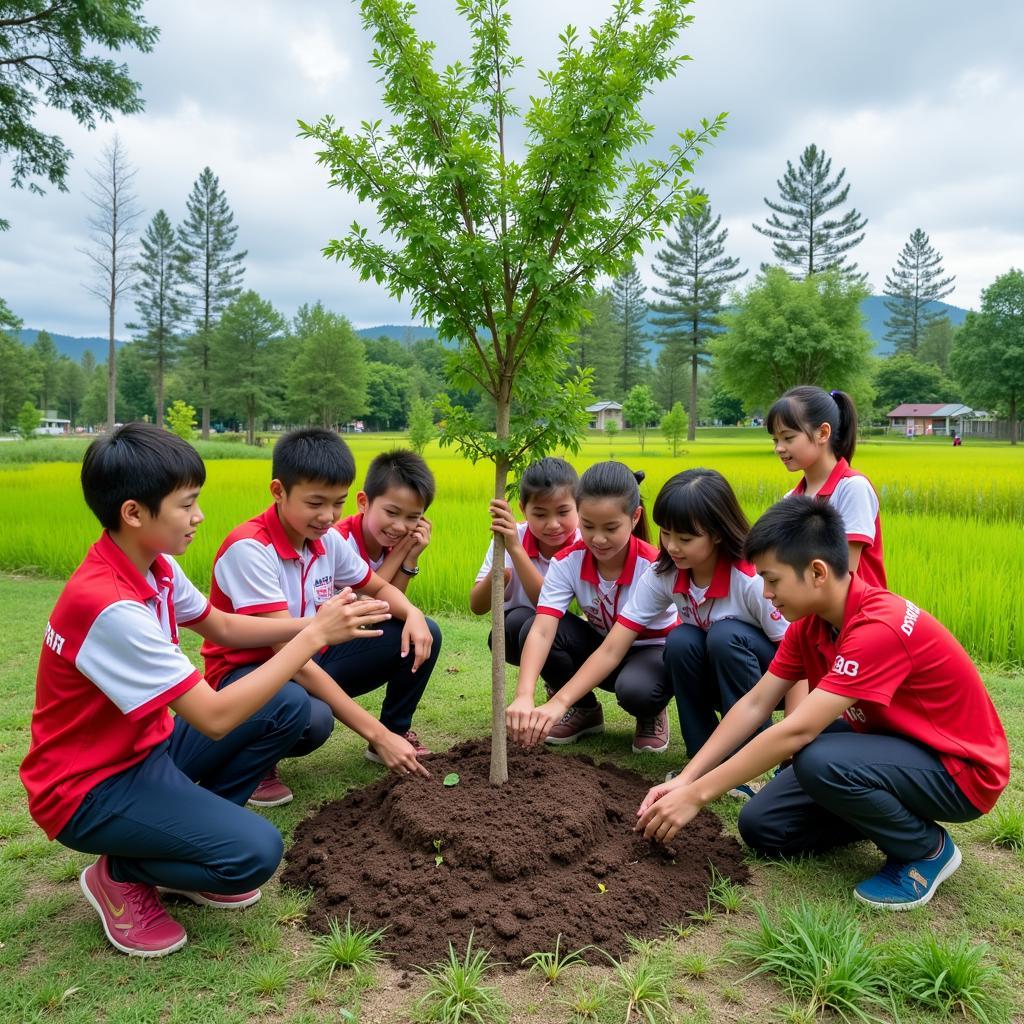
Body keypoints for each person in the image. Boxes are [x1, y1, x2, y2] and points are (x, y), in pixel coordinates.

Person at [19, 423, 399, 958]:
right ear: (134, 513)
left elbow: (221, 626)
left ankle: (191, 844)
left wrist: (316, 621)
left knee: (285, 706)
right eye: (187, 504)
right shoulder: (110, 607)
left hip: (142, 750)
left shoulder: (154, 567)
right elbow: (215, 717)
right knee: (256, 853)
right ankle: (120, 874)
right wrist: (314, 633)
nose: (199, 516)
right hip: (87, 786)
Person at [636, 497, 1009, 910]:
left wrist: (697, 797)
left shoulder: (877, 627)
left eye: (772, 580)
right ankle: (880, 814)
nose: (766, 593)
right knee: (764, 827)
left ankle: (926, 849)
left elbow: (798, 729)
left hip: (959, 771)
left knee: (816, 756)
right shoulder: (810, 625)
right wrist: (686, 780)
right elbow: (756, 703)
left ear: (816, 572)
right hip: (890, 743)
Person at [202, 428, 442, 808]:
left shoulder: (326, 541)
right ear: (279, 491)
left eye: (338, 503)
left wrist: (412, 612)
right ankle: (251, 761)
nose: (328, 516)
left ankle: (394, 737)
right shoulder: (250, 549)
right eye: (316, 503)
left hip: (306, 658)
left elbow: (379, 588)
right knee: (312, 717)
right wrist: (375, 732)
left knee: (423, 631)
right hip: (244, 676)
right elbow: (289, 654)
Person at [506, 462, 678, 753]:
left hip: (650, 655)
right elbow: (543, 631)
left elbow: (617, 648)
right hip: (604, 648)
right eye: (587, 526)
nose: (598, 539)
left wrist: (557, 702)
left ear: (635, 517)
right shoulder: (568, 561)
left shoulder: (654, 568)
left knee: (637, 691)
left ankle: (651, 713)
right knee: (529, 627)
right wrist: (524, 695)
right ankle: (584, 711)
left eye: (611, 528)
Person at [635, 470, 787, 792]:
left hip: (773, 683)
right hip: (722, 674)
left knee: (726, 634)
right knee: (680, 640)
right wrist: (561, 702)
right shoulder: (665, 572)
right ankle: (701, 760)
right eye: (665, 533)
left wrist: (794, 742)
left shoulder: (751, 579)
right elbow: (617, 640)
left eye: (686, 539)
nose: (672, 546)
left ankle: (752, 763)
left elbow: (797, 653)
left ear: (717, 534)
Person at [767, 385, 886, 588]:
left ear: (823, 433)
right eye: (775, 440)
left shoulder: (852, 488)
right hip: (814, 610)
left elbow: (844, 574)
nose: (779, 448)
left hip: (859, 614)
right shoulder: (791, 499)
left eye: (788, 438)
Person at [469, 456, 580, 666]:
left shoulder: (584, 544)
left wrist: (516, 549)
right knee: (515, 621)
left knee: (536, 623)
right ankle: (555, 683)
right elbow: (477, 606)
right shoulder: (509, 537)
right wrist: (499, 576)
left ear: (579, 506)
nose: (553, 524)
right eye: (540, 514)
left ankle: (578, 698)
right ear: (523, 509)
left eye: (563, 512)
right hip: (518, 632)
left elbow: (547, 602)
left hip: (567, 632)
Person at [334, 448, 435, 592]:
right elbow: (367, 600)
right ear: (363, 503)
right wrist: (402, 550)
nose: (400, 527)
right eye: (391, 512)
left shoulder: (398, 539)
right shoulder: (339, 542)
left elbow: (392, 605)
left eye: (412, 517)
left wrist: (411, 558)